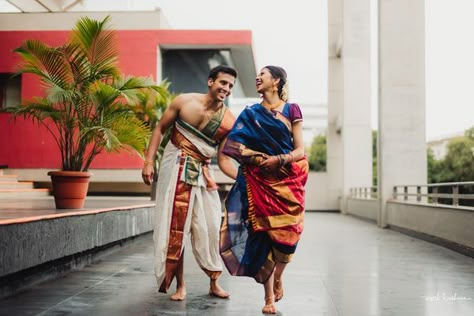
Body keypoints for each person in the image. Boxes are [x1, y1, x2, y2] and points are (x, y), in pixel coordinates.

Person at [141, 65, 238, 301]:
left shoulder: (228, 121)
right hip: (174, 166)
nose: (226, 89)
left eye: (230, 86)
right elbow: (160, 128)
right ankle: (180, 286)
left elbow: (223, 159)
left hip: (203, 172)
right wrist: (148, 161)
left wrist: (243, 177)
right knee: (177, 226)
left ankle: (214, 282)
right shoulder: (184, 102)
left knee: (212, 225)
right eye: (223, 83)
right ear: (210, 82)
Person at [220, 65, 309, 314]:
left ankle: (279, 274)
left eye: (263, 74)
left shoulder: (292, 109)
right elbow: (234, 146)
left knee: (291, 235)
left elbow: (300, 150)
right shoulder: (251, 114)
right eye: (257, 74)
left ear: (277, 80)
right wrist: (260, 159)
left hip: (288, 180)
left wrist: (280, 160)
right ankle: (268, 298)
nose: (257, 77)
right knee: (263, 237)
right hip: (259, 182)